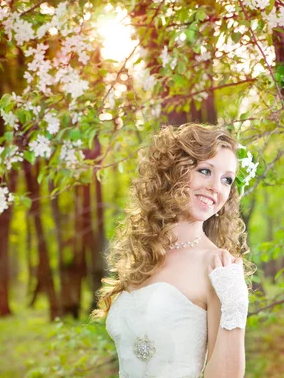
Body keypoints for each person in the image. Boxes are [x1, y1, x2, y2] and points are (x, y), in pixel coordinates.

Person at [94, 123, 253, 378]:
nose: (216, 187)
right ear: (174, 172)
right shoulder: (144, 255)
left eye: (227, 180)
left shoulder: (218, 267)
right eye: (205, 170)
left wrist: (235, 307)